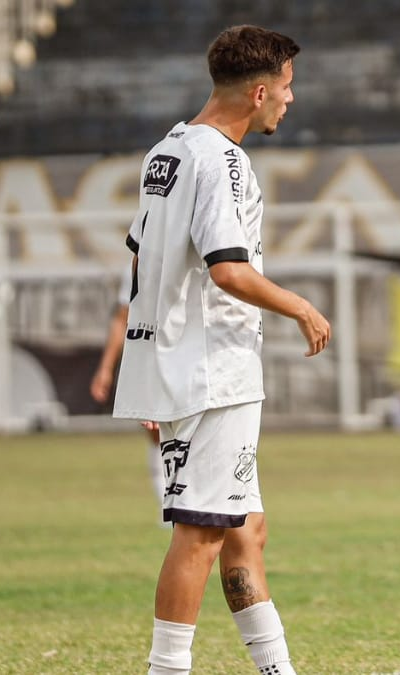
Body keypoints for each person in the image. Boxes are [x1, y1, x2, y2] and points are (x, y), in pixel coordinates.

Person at [112, 26, 331, 675]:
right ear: (259, 91)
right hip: (215, 373)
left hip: (186, 369)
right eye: (286, 89)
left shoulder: (169, 150)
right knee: (201, 533)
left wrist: (152, 374)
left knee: (244, 531)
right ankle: (166, 668)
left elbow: (140, 259)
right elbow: (229, 269)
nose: (289, 102)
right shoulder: (224, 160)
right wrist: (303, 306)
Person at [90, 263, 166, 512]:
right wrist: (105, 368)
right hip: (154, 357)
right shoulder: (142, 260)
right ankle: (167, 506)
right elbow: (123, 317)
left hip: (194, 360)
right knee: (157, 433)